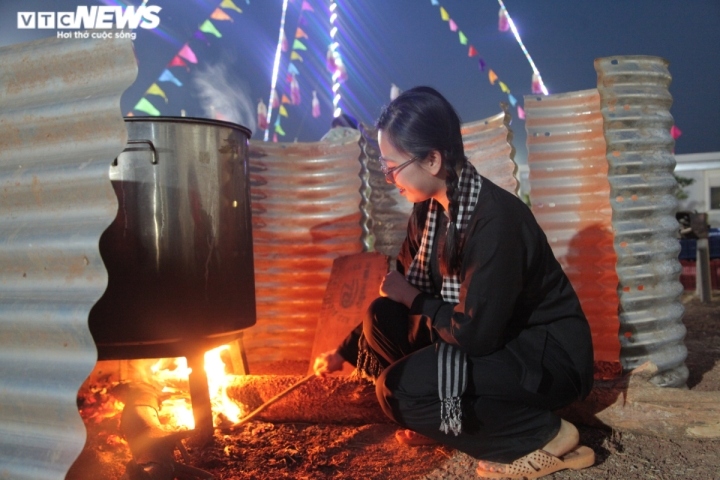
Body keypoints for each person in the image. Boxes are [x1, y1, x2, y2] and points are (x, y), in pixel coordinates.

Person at [313, 86, 595, 479]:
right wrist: (344, 350)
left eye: (393, 166)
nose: (390, 177)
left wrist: (414, 298)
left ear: (432, 160)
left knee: (397, 389)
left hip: (544, 356)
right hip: (495, 339)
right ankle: (449, 419)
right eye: (385, 167)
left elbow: (474, 335)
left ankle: (542, 435)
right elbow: (400, 294)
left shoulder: (494, 221)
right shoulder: (429, 213)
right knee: (382, 316)